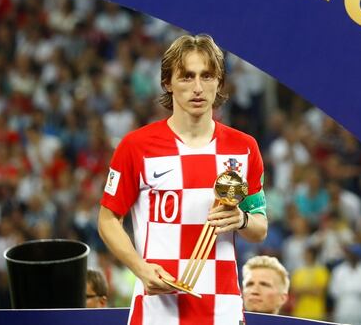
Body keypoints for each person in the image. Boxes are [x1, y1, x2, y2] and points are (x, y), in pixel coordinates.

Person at [98, 34, 268, 325]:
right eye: (187, 76)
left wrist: (241, 220)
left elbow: (260, 227)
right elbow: (107, 219)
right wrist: (140, 268)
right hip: (156, 311)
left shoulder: (244, 147)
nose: (198, 88)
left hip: (222, 310)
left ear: (219, 82)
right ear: (167, 82)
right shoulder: (136, 146)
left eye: (207, 76)